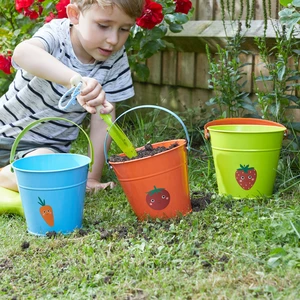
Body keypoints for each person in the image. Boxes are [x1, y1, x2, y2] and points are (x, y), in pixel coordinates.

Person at [0, 0, 144, 193]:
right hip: (3, 131)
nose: (113, 39)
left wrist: (92, 177)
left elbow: (103, 121)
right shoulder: (56, 35)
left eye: (124, 29)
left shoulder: (115, 59)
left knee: (55, 176)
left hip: (42, 152)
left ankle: (8, 175)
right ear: (75, 14)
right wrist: (73, 80)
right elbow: (22, 53)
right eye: (103, 26)